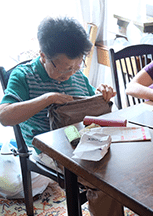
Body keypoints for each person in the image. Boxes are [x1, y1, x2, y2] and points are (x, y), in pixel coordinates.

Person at [0, 17, 118, 216]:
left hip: (80, 141)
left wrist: (102, 94)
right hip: (47, 148)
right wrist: (48, 98)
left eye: (76, 66)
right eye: (63, 69)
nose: (69, 75)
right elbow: (4, 116)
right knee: (103, 182)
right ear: (43, 56)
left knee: (125, 166)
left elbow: (90, 107)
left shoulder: (77, 75)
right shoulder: (24, 76)